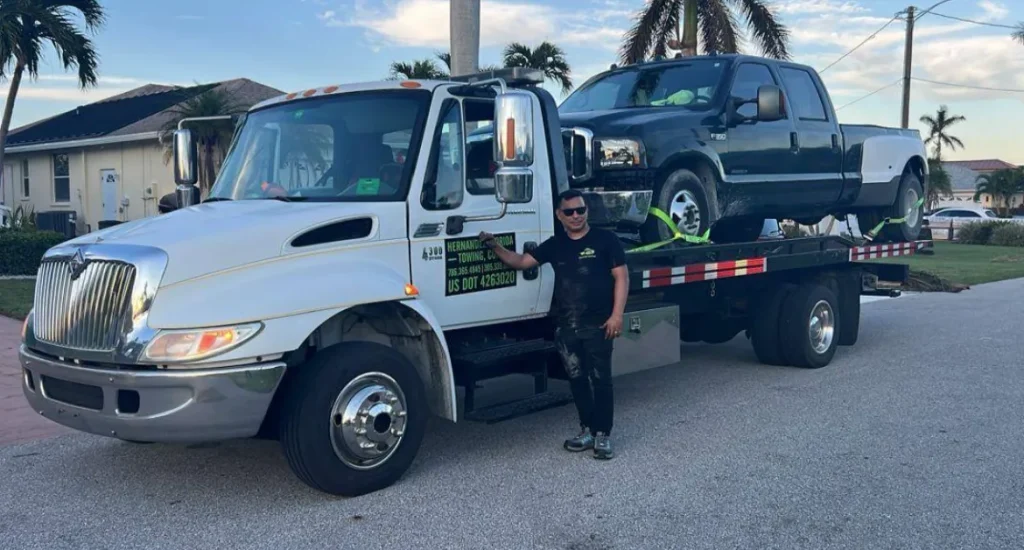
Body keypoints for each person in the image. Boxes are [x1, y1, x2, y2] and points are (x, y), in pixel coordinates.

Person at [479, 189, 629, 460]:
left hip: (599, 325)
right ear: (559, 215)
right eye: (569, 212)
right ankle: (587, 430)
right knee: (577, 380)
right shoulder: (555, 244)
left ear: (587, 211)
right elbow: (523, 262)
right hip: (567, 327)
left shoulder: (606, 240)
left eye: (580, 210)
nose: (576, 216)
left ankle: (603, 435)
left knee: (601, 380)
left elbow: (621, 278)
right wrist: (494, 245)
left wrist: (617, 315)